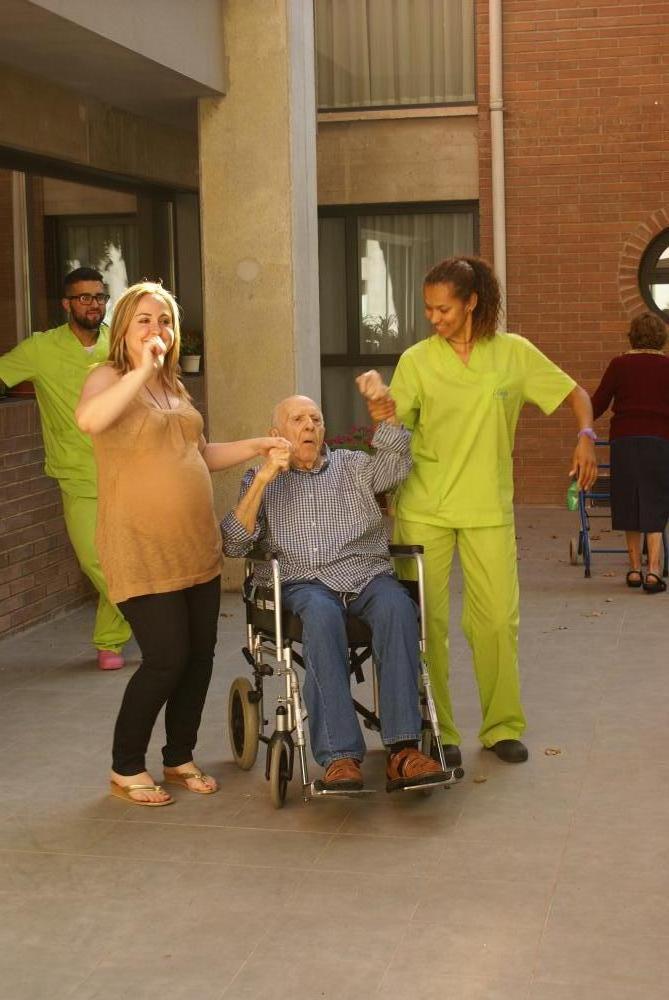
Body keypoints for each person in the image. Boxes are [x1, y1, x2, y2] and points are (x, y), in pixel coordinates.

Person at [357, 256, 598, 766]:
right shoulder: (418, 360)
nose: (434, 318)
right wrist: (381, 405)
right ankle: (437, 728)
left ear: (471, 303)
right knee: (427, 624)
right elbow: (394, 425)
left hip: (488, 506)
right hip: (425, 506)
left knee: (496, 622)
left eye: (443, 309)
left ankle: (502, 725)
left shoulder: (513, 353)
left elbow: (576, 394)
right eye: (428, 309)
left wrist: (585, 435)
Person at [76, 281, 291, 807]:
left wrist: (257, 445)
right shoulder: (108, 378)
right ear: (123, 327)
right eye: (145, 320)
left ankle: (179, 757)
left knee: (198, 659)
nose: (157, 329)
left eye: (165, 321)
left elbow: (199, 454)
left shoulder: (173, 386)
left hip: (195, 546)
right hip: (140, 547)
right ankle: (126, 766)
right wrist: (142, 369)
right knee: (165, 658)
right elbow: (89, 421)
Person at [221, 391, 451, 793]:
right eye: (298, 420)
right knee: (321, 613)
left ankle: (404, 751)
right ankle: (339, 756)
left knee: (398, 607)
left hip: (365, 575)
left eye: (315, 419)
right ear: (276, 433)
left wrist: (389, 419)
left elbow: (394, 469)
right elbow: (235, 545)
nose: (309, 426)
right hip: (303, 583)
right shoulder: (260, 480)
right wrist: (262, 478)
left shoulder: (353, 466)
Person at [0, 267, 131, 670]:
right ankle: (153, 619)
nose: (94, 304)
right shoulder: (40, 348)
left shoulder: (120, 343)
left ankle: (110, 641)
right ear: (66, 304)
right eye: (84, 297)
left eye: (100, 296)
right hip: (76, 474)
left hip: (129, 471)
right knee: (95, 560)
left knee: (124, 558)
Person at [591, 311, 669, 593]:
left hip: (624, 441)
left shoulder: (619, 364)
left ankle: (634, 569)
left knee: (629, 501)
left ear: (632, 336)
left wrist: (583, 424)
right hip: (659, 440)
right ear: (661, 337)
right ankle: (654, 572)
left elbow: (598, 402)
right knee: (655, 501)